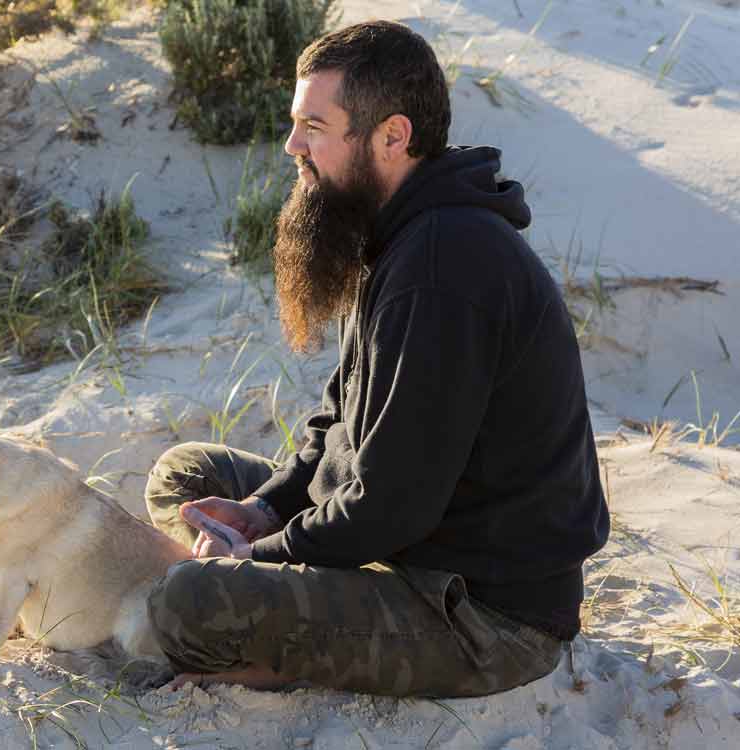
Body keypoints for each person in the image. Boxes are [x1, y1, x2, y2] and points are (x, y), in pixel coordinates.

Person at [143, 20, 609, 697]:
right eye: (295, 124)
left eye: (314, 127)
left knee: (187, 603)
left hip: (480, 616)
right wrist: (265, 511)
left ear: (392, 136)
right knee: (185, 474)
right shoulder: (397, 231)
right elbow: (338, 423)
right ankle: (268, 607)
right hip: (399, 543)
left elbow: (392, 504)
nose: (292, 146)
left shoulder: (444, 265)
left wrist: (258, 557)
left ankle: (269, 654)